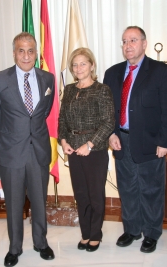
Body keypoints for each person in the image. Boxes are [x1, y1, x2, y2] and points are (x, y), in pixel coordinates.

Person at [103, 26, 167, 253]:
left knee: (151, 189)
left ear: (144, 43)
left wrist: (166, 141)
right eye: (124, 41)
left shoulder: (160, 71)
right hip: (121, 140)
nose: (128, 45)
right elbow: (108, 110)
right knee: (127, 188)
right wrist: (111, 133)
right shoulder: (112, 72)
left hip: (151, 142)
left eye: (133, 40)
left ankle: (152, 233)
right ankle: (132, 229)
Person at [0, 32, 55, 267]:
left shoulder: (48, 79)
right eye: (21, 50)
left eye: (31, 50)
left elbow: (43, 112)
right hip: (12, 151)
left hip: (38, 150)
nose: (26, 55)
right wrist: (13, 132)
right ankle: (14, 248)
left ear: (36, 53)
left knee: (39, 200)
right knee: (14, 204)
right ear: (14, 52)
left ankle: (41, 243)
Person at [58, 48, 114, 252]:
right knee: (80, 194)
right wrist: (63, 140)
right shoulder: (70, 90)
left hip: (95, 150)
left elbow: (109, 123)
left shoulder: (102, 89)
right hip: (72, 149)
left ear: (92, 65)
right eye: (75, 64)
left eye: (83, 63)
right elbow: (62, 118)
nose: (79, 67)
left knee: (95, 194)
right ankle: (85, 233)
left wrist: (89, 144)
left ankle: (95, 235)